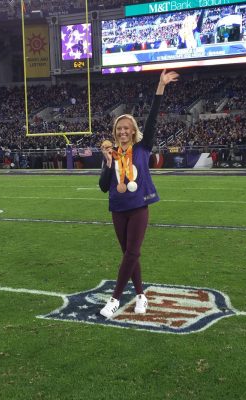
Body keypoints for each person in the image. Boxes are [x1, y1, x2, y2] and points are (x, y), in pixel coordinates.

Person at [98, 69, 179, 318]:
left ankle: (115, 299)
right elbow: (103, 187)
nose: (122, 132)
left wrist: (160, 87)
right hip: (118, 209)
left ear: (133, 131)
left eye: (126, 128)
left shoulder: (143, 148)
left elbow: (153, 118)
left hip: (139, 206)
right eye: (119, 129)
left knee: (133, 252)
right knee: (128, 255)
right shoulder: (111, 154)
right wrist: (108, 164)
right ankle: (141, 295)